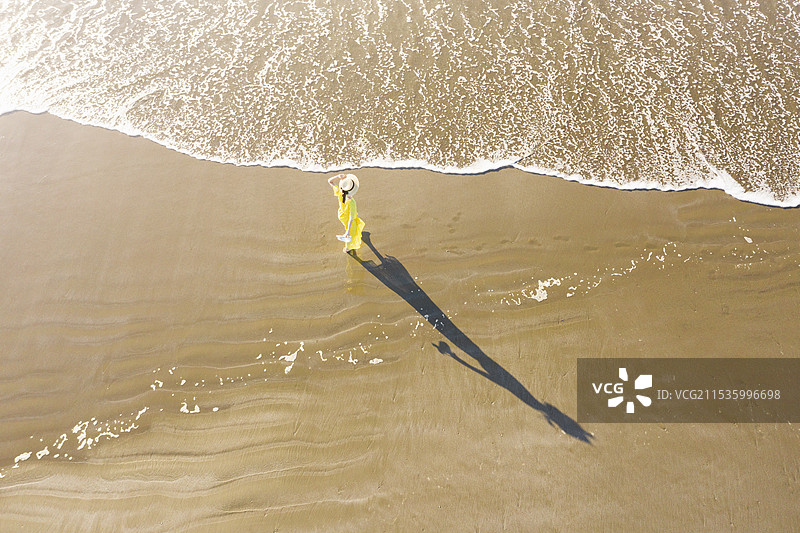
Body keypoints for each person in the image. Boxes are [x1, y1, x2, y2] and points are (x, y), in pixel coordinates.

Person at [327, 173, 365, 253]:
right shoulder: (352, 202)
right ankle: (348, 248)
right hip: (348, 219)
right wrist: (347, 231)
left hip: (342, 215)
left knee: (351, 227)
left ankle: (349, 232)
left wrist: (338, 176)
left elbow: (330, 181)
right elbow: (352, 217)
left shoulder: (340, 193)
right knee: (350, 232)